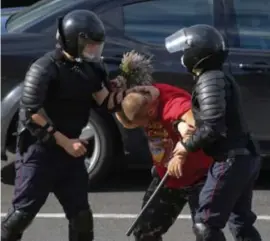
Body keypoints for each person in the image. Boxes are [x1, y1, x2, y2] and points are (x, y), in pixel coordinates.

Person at [1, 9, 140, 241]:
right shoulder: (44, 68)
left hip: (71, 154)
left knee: (81, 218)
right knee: (21, 216)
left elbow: (105, 101)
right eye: (90, 45)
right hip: (40, 152)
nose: (95, 50)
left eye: (97, 45)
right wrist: (65, 143)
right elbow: (31, 113)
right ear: (73, 41)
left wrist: (124, 92)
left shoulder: (92, 68)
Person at [164, 24, 262, 241]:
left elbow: (213, 127)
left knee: (205, 224)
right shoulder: (217, 76)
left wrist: (185, 145)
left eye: (186, 49)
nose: (182, 55)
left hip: (230, 160)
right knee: (240, 220)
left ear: (197, 53)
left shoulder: (210, 79)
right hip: (244, 156)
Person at [115, 81, 213, 241]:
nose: (142, 127)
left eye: (143, 124)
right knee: (144, 231)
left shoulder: (172, 104)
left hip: (199, 176)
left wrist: (180, 156)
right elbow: (128, 120)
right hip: (167, 177)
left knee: (206, 233)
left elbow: (195, 124)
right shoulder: (143, 95)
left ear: (151, 111)